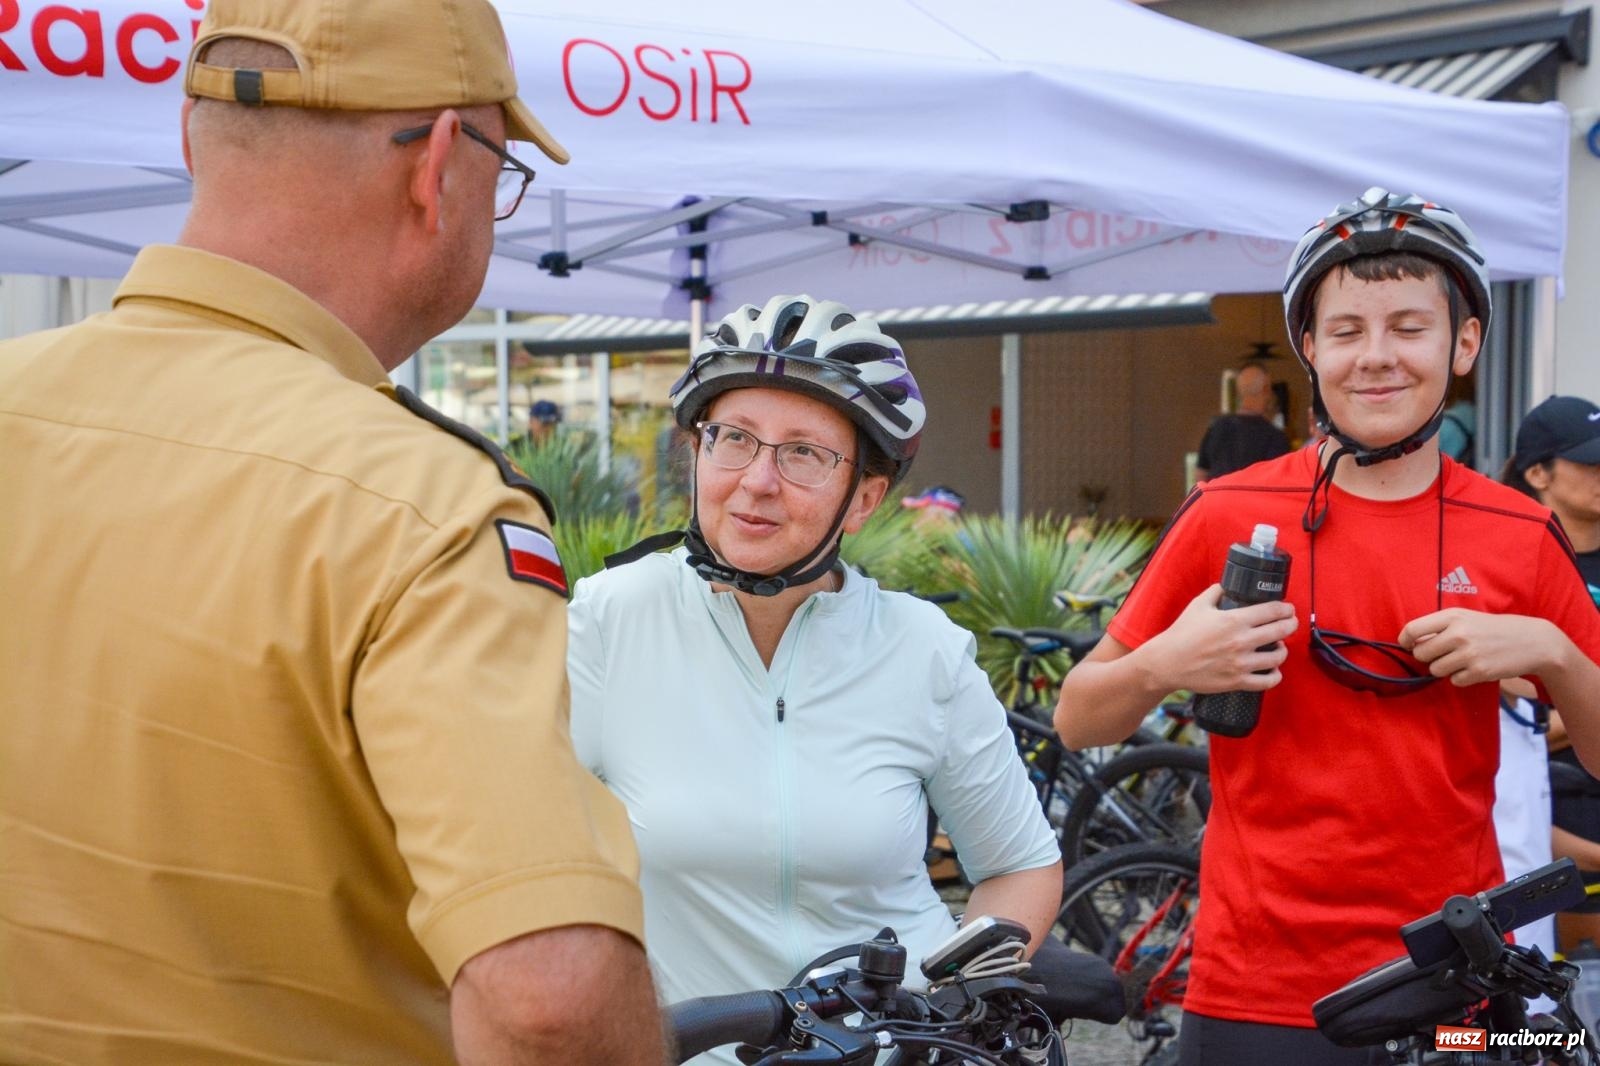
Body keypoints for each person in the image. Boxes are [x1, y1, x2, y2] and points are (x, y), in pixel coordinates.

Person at [0, 2, 662, 1063]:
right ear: (438, 167)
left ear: (191, 140)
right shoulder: (426, 509)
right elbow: (547, 1001)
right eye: (502, 171)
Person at [1054, 188, 1600, 1065]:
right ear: (1310, 348)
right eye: (1346, 331)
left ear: (1464, 343)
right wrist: (1166, 663)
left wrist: (1555, 654)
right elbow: (1079, 718)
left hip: (1452, 995)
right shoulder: (1225, 510)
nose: (1375, 357)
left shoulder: (1520, 532)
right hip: (1253, 991)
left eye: (1409, 328)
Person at [568, 295, 1067, 1064]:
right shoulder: (609, 621)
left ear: (863, 498)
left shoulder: (923, 650)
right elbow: (511, 850)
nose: (757, 480)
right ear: (697, 453)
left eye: (803, 453)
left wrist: (951, 1003)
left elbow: (1018, 863)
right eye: (734, 439)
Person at [1502, 395, 1600, 951]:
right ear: (1538, 474)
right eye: (1589, 462)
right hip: (1546, 814)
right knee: (1557, 985)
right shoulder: (1509, 564)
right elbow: (1508, 713)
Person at [1194, 360, 1291, 480]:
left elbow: (1200, 476)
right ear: (1266, 389)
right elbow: (1279, 481)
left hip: (1218, 492)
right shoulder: (1275, 438)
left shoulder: (1216, 428)